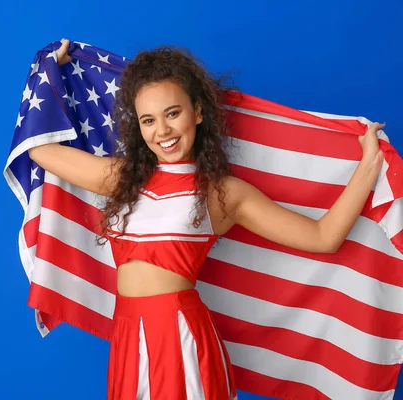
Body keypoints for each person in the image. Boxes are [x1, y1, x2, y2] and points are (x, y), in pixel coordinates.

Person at [28, 39, 385, 400]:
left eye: (173, 113)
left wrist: (369, 164)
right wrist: (46, 72)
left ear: (197, 112)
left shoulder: (222, 193)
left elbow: (323, 237)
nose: (162, 131)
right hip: (126, 333)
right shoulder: (122, 177)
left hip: (180, 335)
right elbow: (41, 150)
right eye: (148, 120)